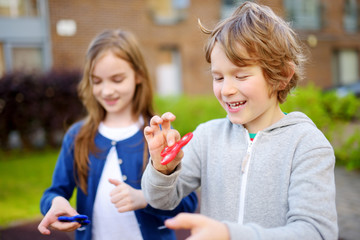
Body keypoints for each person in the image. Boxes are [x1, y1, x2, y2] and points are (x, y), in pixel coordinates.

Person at [141, 2, 338, 239]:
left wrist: (229, 234)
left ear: (282, 76)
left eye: (241, 75)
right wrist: (162, 168)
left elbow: (316, 232)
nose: (226, 90)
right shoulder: (207, 137)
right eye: (218, 77)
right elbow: (160, 200)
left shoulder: (306, 145)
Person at [37, 29, 198, 240]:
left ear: (138, 75)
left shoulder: (158, 135)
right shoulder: (77, 136)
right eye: (97, 81)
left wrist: (146, 198)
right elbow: (53, 192)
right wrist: (55, 203)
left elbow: (188, 203)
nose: (107, 91)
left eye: (117, 79)